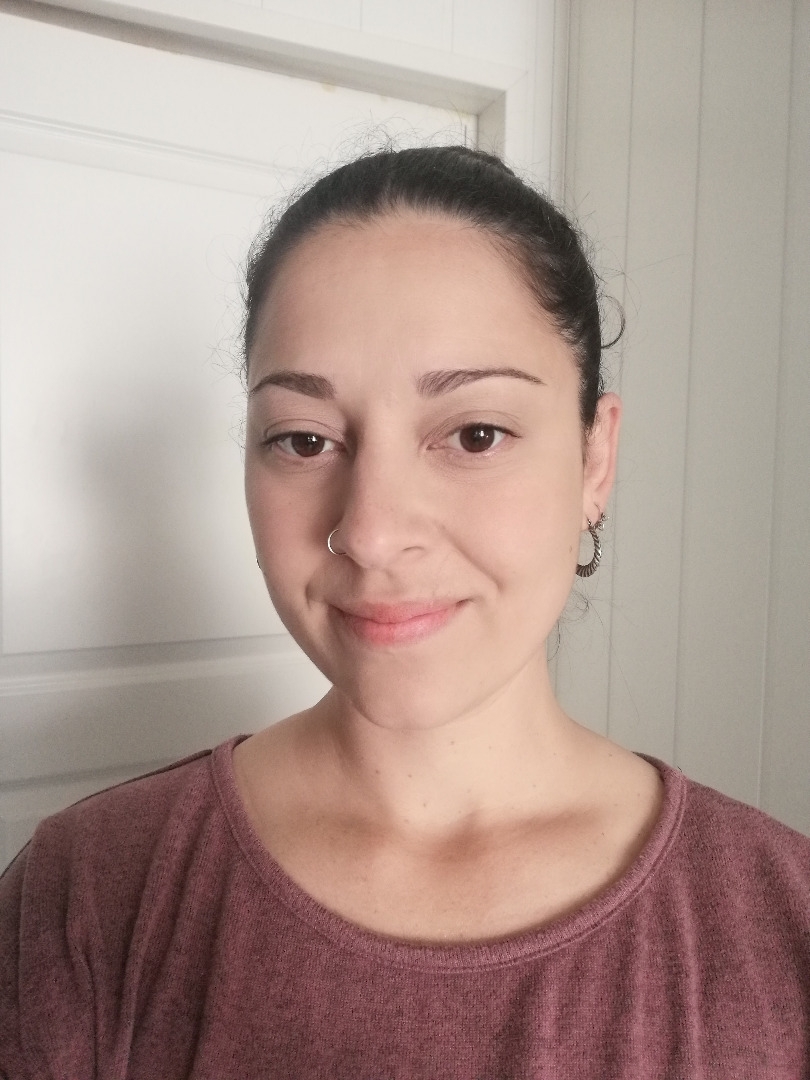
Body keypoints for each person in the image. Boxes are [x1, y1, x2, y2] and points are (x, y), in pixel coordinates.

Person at [1, 145, 809, 1079]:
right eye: (304, 441)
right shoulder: (87, 893)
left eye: (475, 434)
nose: (372, 533)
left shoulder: (780, 924)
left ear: (595, 460)